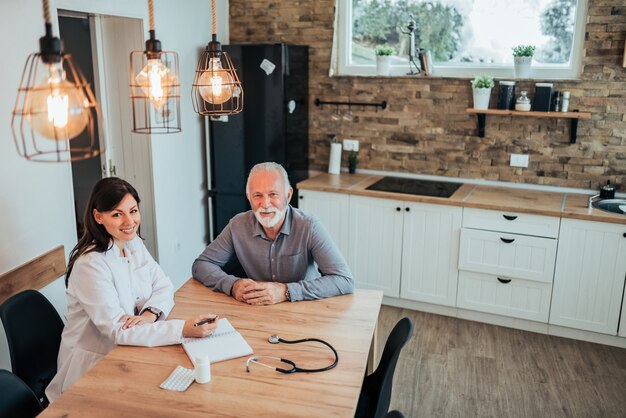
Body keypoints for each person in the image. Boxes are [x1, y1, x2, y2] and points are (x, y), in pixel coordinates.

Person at [46, 178, 218, 403]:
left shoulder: (132, 242)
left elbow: (163, 285)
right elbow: (119, 330)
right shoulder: (90, 264)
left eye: (133, 211)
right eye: (117, 214)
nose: (129, 221)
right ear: (99, 217)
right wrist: (182, 329)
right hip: (93, 367)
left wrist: (150, 314)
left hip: (131, 350)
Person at [192, 162, 354, 305]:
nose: (265, 203)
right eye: (258, 195)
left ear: (288, 195)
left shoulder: (309, 226)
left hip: (304, 307)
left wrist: (285, 291)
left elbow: (344, 281)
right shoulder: (237, 225)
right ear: (249, 197)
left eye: (273, 194)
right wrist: (232, 285)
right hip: (258, 310)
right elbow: (201, 265)